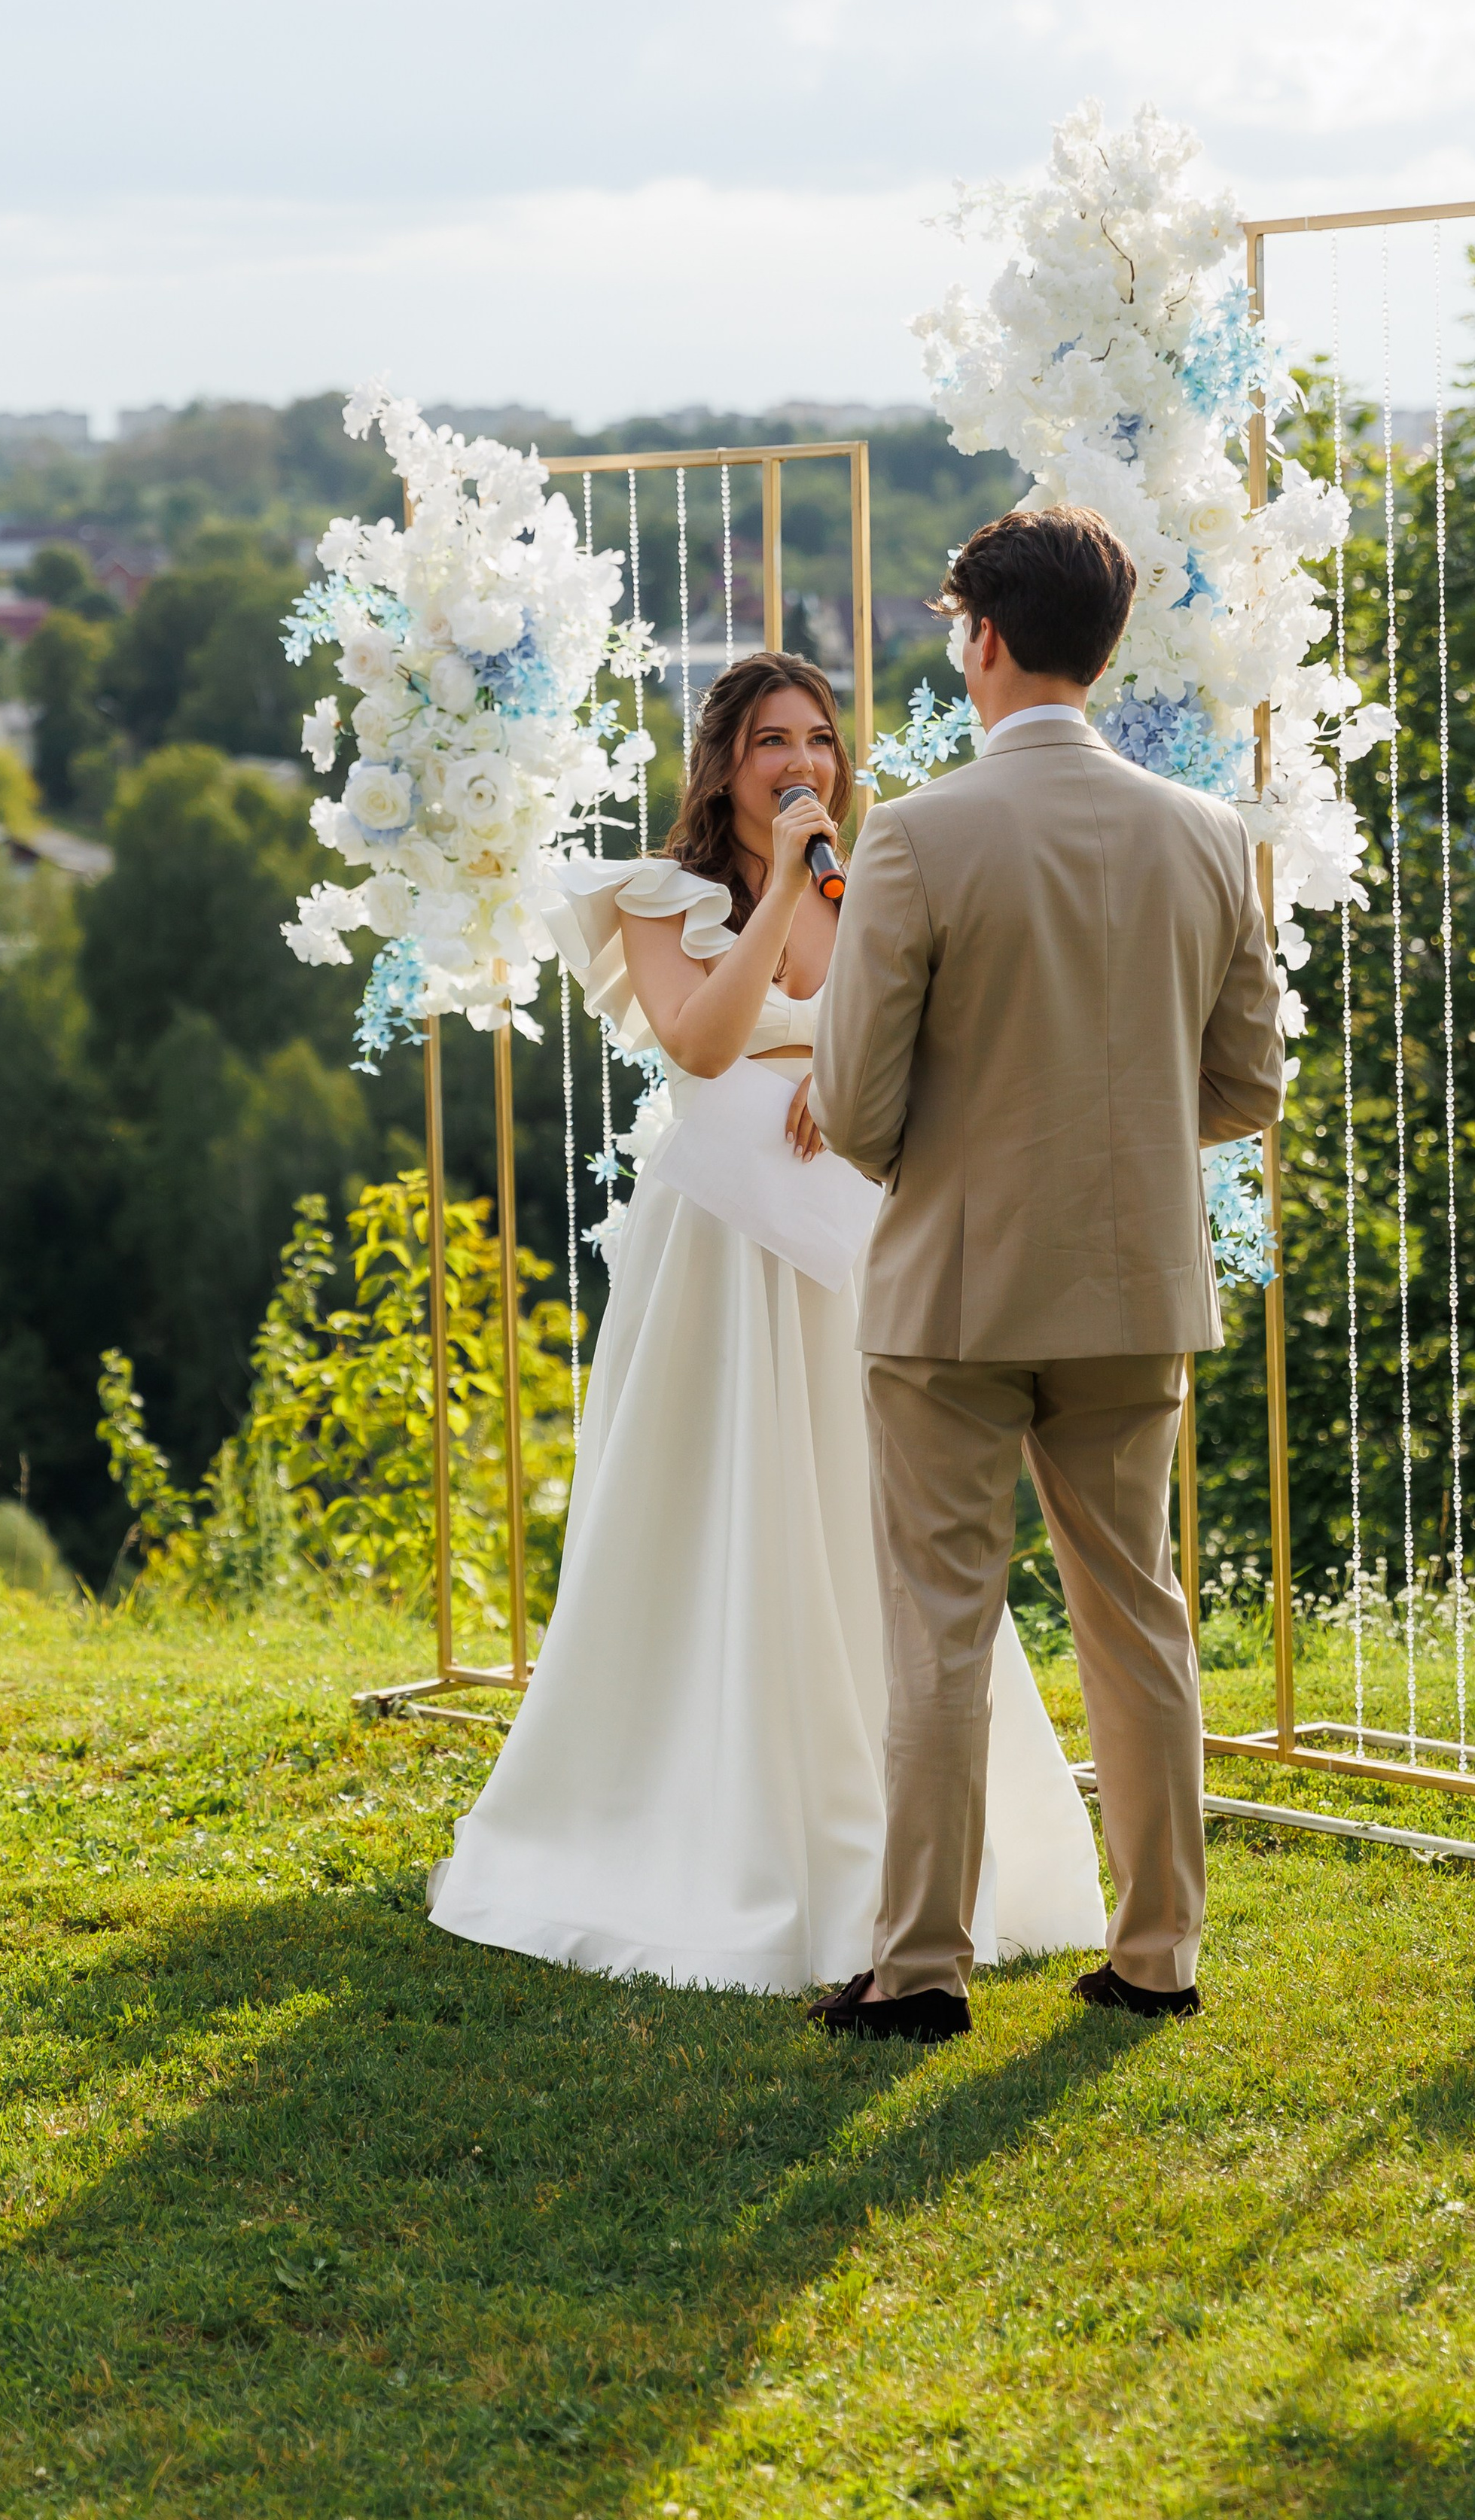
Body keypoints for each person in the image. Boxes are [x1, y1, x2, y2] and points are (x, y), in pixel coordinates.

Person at [427, 650, 1108, 1995]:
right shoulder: (658, 897)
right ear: (723, 764)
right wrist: (790, 893)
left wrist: (853, 1079)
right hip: (724, 1250)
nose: (803, 764)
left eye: (819, 741)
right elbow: (701, 1041)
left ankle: (914, 1846)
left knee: (871, 1519)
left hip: (852, 1240)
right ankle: (690, 1812)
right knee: (716, 1511)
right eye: (770, 743)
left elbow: (941, 1049)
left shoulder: (887, 884)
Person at [806, 505, 1286, 2044]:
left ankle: (919, 1970)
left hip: (950, 1284)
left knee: (942, 1619)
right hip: (1130, 1278)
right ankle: (1158, 1955)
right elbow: (1247, 1084)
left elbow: (861, 1106)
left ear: (984, 639)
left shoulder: (916, 835)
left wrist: (954, 1165)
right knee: (1134, 1615)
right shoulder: (1208, 836)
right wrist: (1122, 1139)